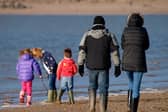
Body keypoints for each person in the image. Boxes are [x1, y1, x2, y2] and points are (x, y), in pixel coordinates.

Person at [78, 16, 121, 112]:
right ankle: (102, 109)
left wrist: (80, 65)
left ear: (93, 24)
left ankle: (91, 107)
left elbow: (82, 51)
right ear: (103, 24)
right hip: (104, 66)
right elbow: (115, 52)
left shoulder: (86, 35)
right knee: (103, 88)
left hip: (91, 66)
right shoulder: (109, 35)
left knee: (92, 86)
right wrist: (117, 66)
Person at [121, 13, 150, 112]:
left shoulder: (125, 30)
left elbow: (123, 45)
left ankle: (129, 106)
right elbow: (146, 46)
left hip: (127, 61)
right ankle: (133, 110)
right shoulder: (143, 30)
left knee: (131, 83)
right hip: (139, 62)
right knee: (136, 87)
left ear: (129, 21)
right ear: (141, 21)